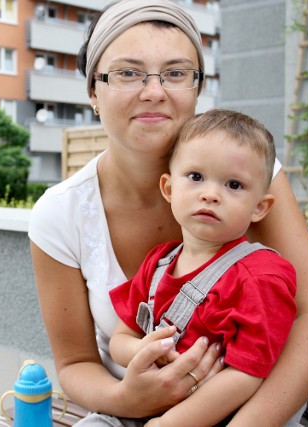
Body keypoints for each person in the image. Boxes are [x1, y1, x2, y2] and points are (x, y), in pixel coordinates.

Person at [28, 0, 308, 425]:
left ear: (197, 87)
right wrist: (130, 400)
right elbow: (74, 363)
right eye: (127, 73)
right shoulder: (61, 213)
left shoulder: (249, 178)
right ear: (93, 90)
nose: (154, 91)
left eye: (176, 73)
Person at [106, 109, 297, 427]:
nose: (210, 194)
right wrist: (144, 350)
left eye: (234, 184)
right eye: (196, 177)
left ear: (260, 207)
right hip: (144, 405)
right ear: (169, 189)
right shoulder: (158, 262)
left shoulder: (261, 276)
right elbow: (120, 339)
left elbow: (248, 375)